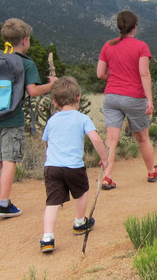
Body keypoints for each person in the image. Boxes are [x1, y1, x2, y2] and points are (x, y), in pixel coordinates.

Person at [0, 18, 56, 218]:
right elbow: (33, 91)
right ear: (25, 40)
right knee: (10, 160)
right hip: (12, 119)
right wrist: (53, 85)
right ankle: (3, 204)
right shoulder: (25, 63)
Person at [39, 76, 108, 253]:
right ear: (79, 97)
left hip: (52, 167)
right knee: (82, 191)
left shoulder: (52, 120)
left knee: (52, 202)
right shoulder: (82, 118)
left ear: (54, 102)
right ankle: (79, 222)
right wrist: (104, 158)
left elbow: (48, 141)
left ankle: (47, 237)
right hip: (74, 166)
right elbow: (95, 138)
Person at [96, 10, 157, 189]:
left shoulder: (108, 46)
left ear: (119, 27)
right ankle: (151, 171)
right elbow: (144, 72)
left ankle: (107, 177)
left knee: (111, 140)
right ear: (135, 27)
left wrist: (115, 76)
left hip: (111, 97)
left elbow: (100, 73)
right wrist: (149, 99)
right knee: (143, 137)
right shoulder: (141, 46)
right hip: (134, 97)